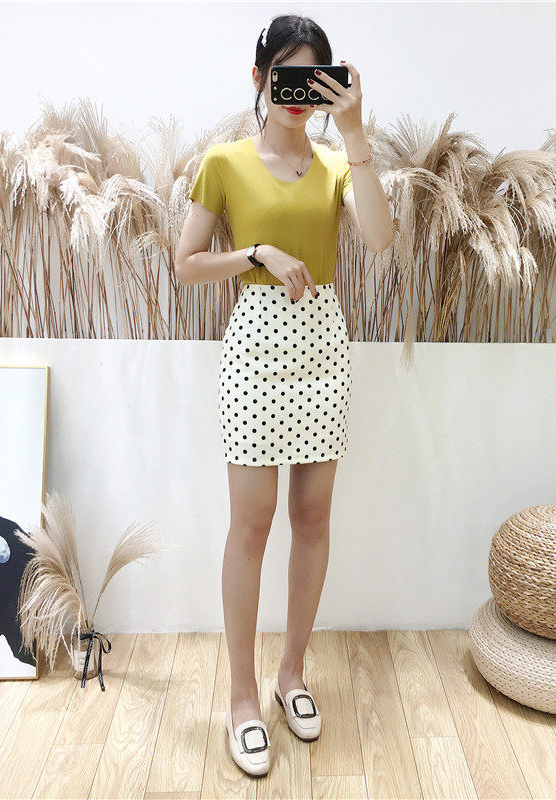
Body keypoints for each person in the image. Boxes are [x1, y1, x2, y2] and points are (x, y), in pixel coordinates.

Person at [175, 14, 393, 777]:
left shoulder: (337, 164)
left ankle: (291, 675)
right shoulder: (225, 162)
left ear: (328, 87)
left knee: (312, 517)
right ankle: (241, 699)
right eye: (284, 78)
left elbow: (380, 237)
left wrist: (356, 132)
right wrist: (255, 253)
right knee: (251, 524)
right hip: (255, 352)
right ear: (260, 78)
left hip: (322, 349)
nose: (296, 94)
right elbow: (186, 263)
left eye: (312, 80)